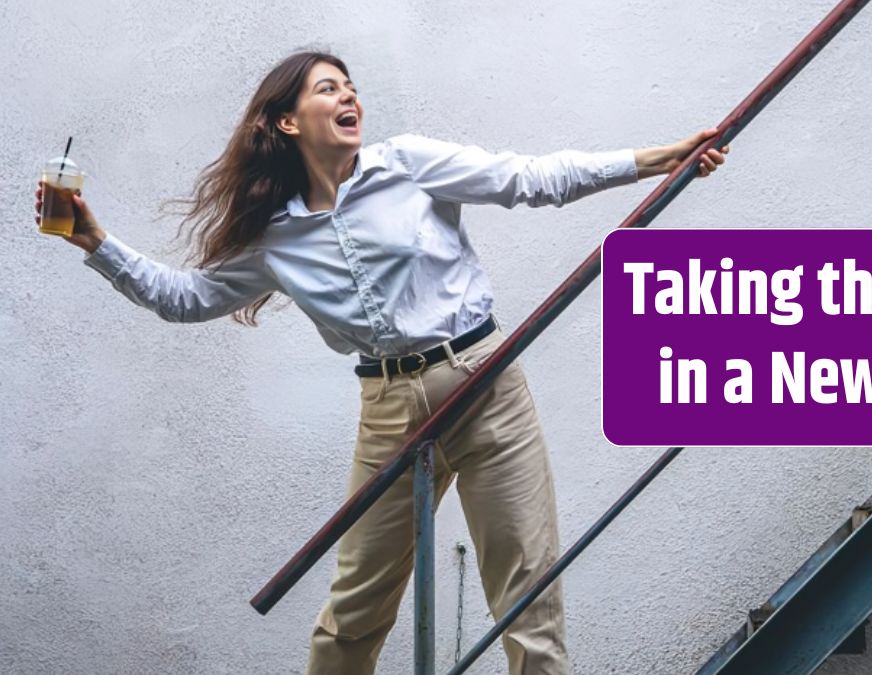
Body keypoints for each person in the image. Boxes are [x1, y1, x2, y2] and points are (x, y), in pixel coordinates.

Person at [34, 50, 729, 675]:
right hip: (390, 411)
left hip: (488, 386)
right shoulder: (275, 239)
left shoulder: (409, 162)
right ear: (285, 122)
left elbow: (531, 178)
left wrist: (655, 158)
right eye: (328, 88)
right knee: (354, 613)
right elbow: (184, 298)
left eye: (352, 87)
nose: (350, 98)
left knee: (527, 599)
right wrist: (96, 241)